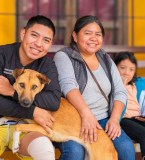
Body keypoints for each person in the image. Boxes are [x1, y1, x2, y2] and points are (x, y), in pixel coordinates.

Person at [0, 15, 62, 160]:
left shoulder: (47, 65)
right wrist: (34, 111)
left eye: (46, 40)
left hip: (27, 126)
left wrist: (12, 91)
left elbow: (53, 101)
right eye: (34, 36)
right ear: (23, 34)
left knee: (45, 150)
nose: (38, 44)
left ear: (50, 45)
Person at [53, 15, 135, 160]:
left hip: (104, 119)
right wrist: (87, 115)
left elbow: (120, 91)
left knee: (126, 148)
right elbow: (68, 86)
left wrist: (115, 120)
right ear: (75, 36)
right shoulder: (63, 56)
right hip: (72, 119)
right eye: (87, 33)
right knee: (75, 153)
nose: (93, 38)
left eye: (98, 34)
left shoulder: (106, 59)